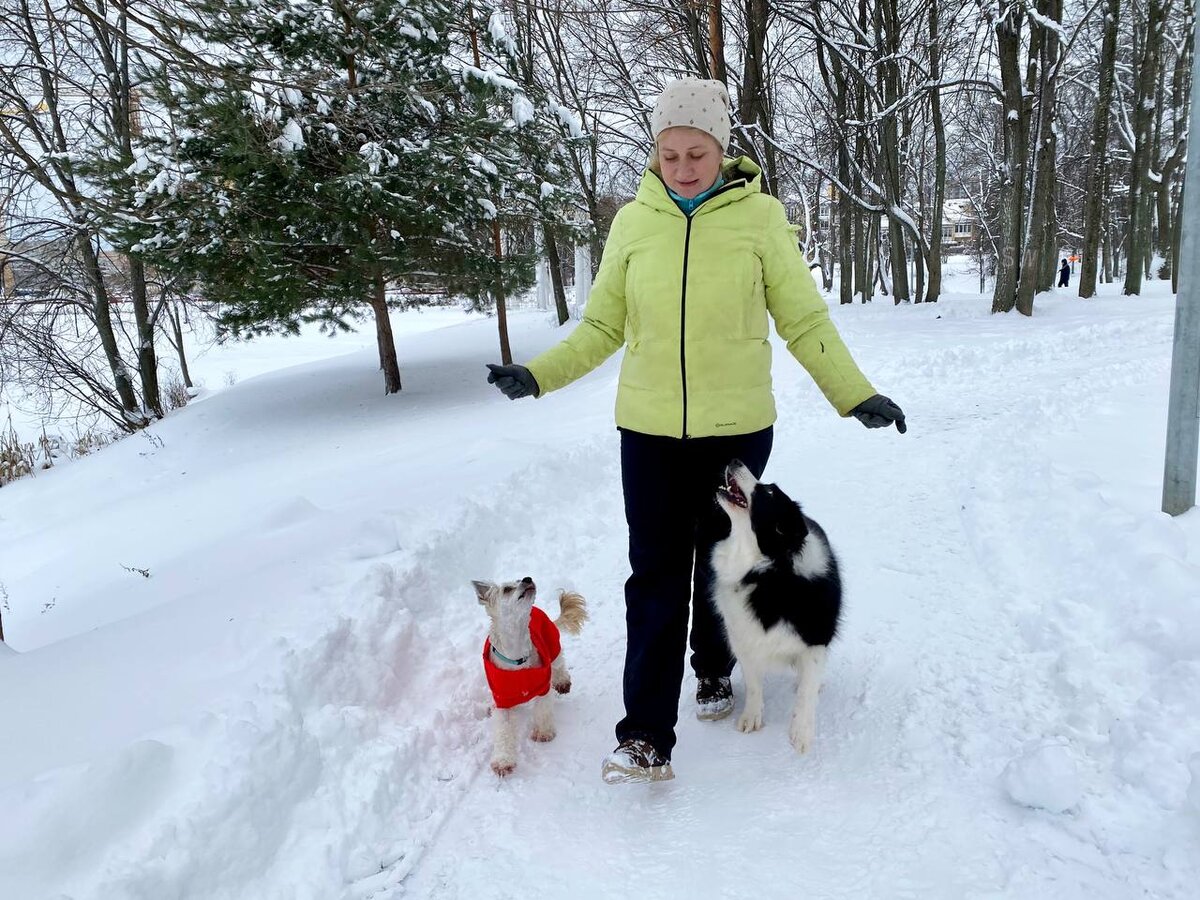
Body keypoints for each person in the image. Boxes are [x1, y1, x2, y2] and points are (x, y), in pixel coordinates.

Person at [485, 77, 905, 784]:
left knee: (724, 561)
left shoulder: (760, 219)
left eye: (697, 152)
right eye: (670, 153)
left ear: (721, 148)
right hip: (648, 434)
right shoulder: (633, 223)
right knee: (654, 577)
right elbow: (602, 325)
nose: (682, 167)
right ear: (656, 152)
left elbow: (804, 319)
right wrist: (540, 374)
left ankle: (713, 666)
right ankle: (646, 736)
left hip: (735, 431)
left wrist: (853, 393)